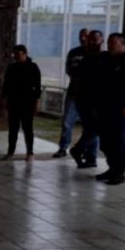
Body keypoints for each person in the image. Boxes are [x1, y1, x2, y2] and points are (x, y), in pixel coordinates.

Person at [96, 33, 125, 185]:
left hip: (122, 109)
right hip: (106, 107)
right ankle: (112, 168)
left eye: (114, 44)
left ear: (123, 45)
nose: (110, 47)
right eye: (109, 43)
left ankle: (119, 173)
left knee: (120, 141)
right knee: (106, 141)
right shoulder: (107, 60)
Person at [69, 30, 105, 169]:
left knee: (92, 129)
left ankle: (89, 156)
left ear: (101, 40)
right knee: (94, 128)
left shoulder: (104, 57)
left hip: (97, 100)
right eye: (90, 40)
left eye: (94, 40)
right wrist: (78, 98)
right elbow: (77, 79)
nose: (91, 42)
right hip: (87, 100)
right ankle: (81, 151)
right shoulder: (87, 59)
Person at [1, 45, 42, 161]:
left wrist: (36, 101)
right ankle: (10, 152)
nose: (16, 57)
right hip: (13, 101)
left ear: (25, 53)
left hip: (27, 102)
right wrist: (3, 99)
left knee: (27, 128)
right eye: (14, 55)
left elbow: (37, 86)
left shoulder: (33, 67)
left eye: (18, 55)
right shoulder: (12, 67)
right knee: (13, 128)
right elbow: (6, 85)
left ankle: (30, 152)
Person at [54, 28, 89, 157]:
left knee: (89, 125)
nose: (83, 38)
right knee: (67, 122)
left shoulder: (95, 54)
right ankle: (63, 147)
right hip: (73, 93)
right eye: (81, 35)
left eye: (86, 35)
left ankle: (87, 150)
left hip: (89, 96)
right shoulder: (73, 53)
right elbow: (69, 69)